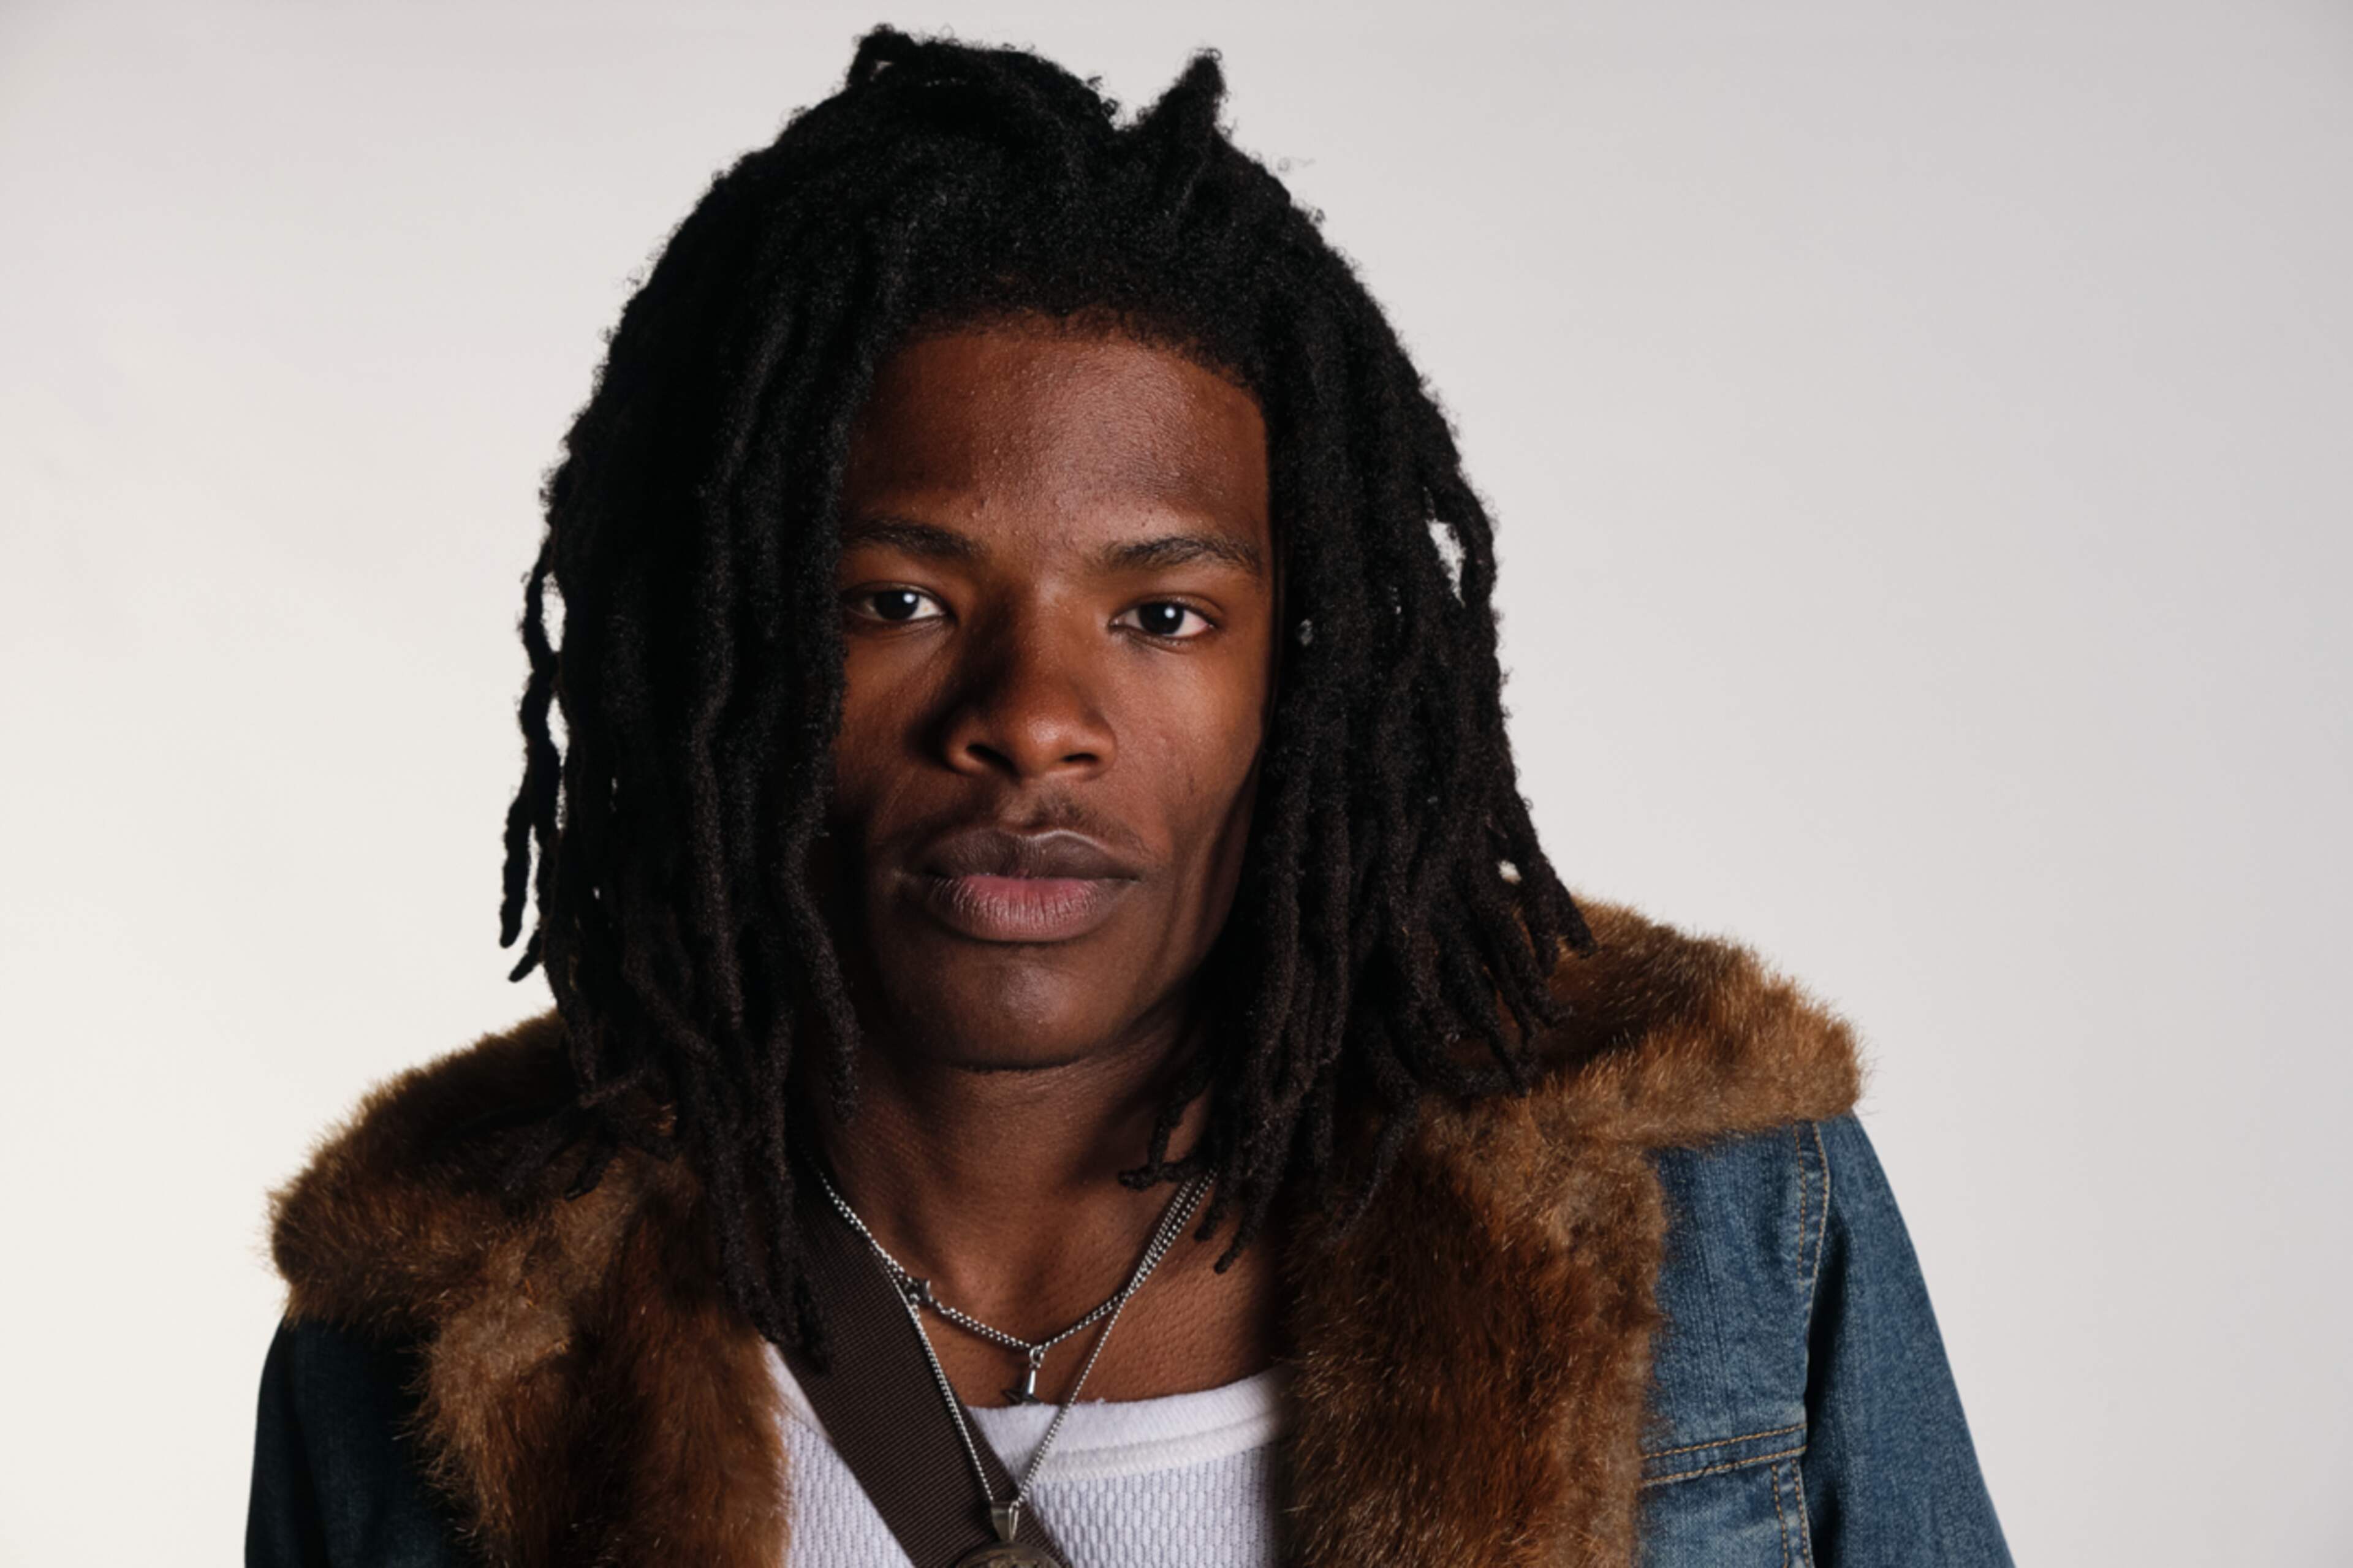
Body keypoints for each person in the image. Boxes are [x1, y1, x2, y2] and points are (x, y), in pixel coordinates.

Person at [246, 28, 2012, 1568]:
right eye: (897, 601)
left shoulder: (1718, 1223)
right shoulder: (438, 1319)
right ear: (714, 648)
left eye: (1162, 616)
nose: (1032, 722)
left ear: (1300, 669)